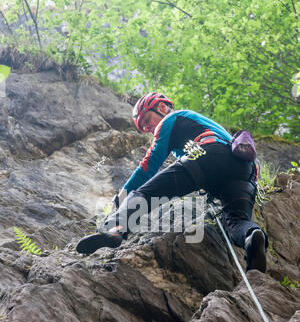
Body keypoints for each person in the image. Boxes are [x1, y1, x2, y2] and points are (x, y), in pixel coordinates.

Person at [76, 92, 268, 272]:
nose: (148, 129)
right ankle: (252, 237)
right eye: (143, 128)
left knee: (143, 194)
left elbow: (149, 165)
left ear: (161, 107)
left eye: (147, 121)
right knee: (237, 222)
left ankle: (116, 229)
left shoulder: (172, 118)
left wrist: (123, 195)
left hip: (206, 155)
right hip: (245, 170)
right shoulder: (211, 127)